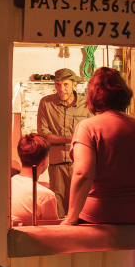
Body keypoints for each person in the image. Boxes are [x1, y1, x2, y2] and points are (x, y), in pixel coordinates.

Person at [62, 68, 135, 225]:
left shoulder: (87, 127)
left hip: (102, 215)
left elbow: (83, 174)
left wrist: (72, 217)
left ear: (92, 94)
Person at [36, 68, 91, 217]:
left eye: (65, 84)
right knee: (58, 209)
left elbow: (94, 132)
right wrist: (71, 138)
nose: (61, 89)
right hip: (57, 165)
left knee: (83, 207)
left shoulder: (87, 104)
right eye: (58, 84)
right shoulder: (46, 103)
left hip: (81, 164)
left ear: (75, 85)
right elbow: (44, 135)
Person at [11, 134, 59, 226]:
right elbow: (51, 233)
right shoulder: (47, 196)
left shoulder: (7, 186)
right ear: (45, 160)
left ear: (20, 159)